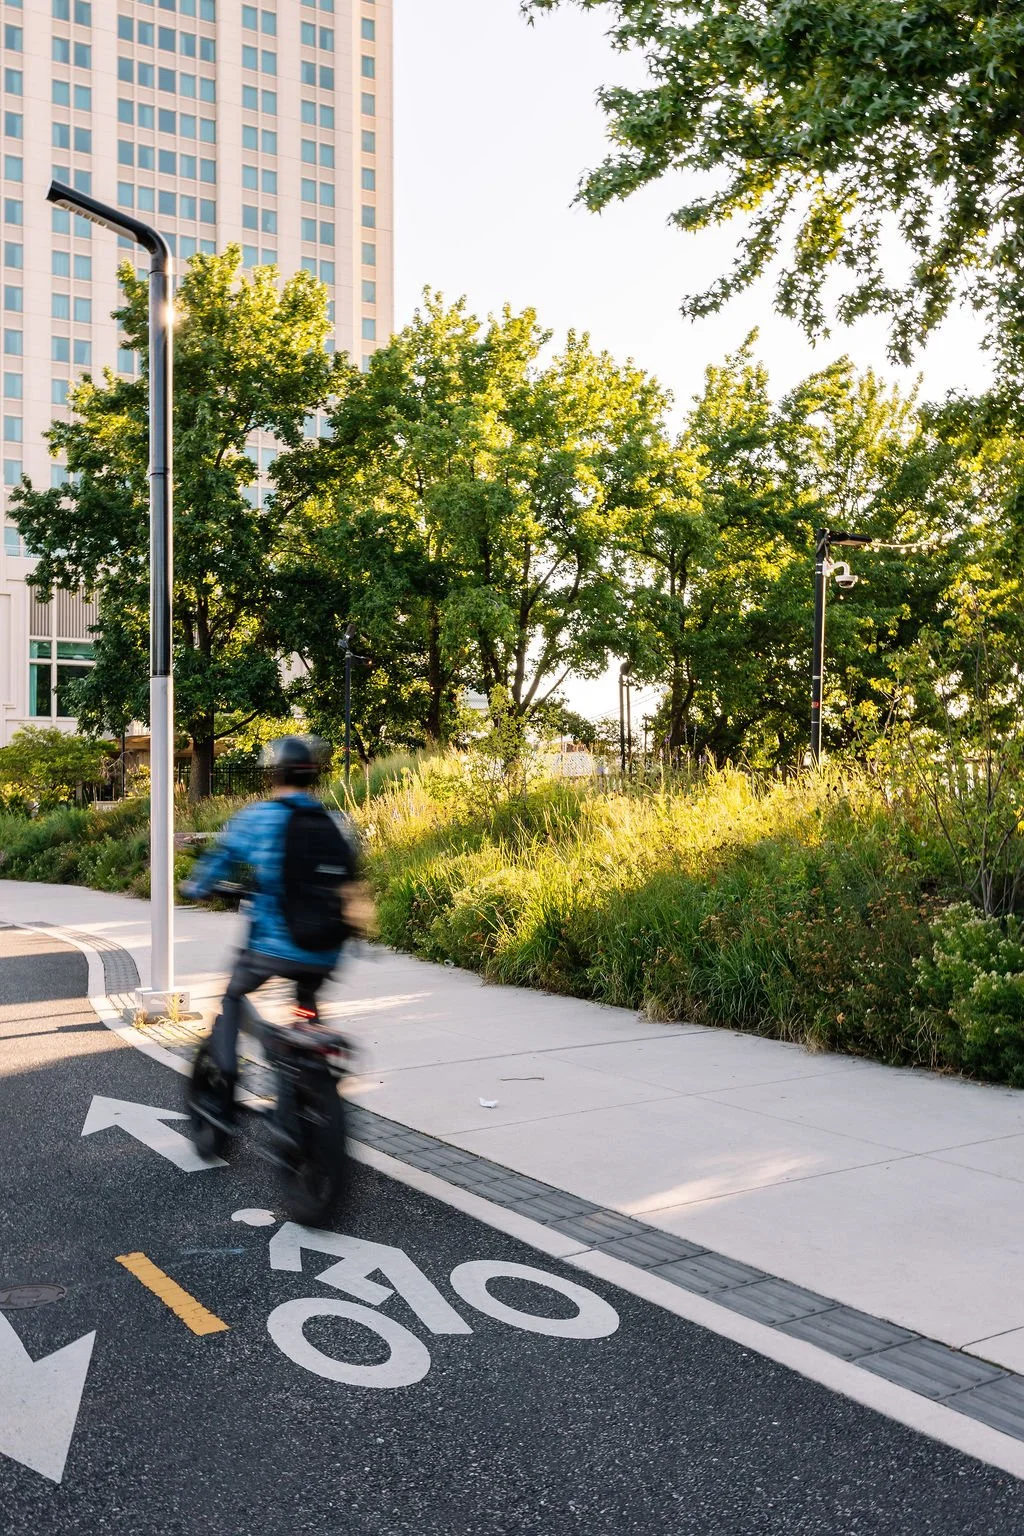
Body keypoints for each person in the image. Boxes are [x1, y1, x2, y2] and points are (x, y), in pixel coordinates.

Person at [182, 735, 359, 1132]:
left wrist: (195, 887)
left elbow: (221, 858)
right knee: (307, 1009)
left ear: (273, 773)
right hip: (326, 950)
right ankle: (307, 1084)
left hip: (270, 947)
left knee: (232, 995)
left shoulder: (259, 817)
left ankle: (225, 1087)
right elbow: (351, 878)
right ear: (312, 777)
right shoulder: (336, 821)